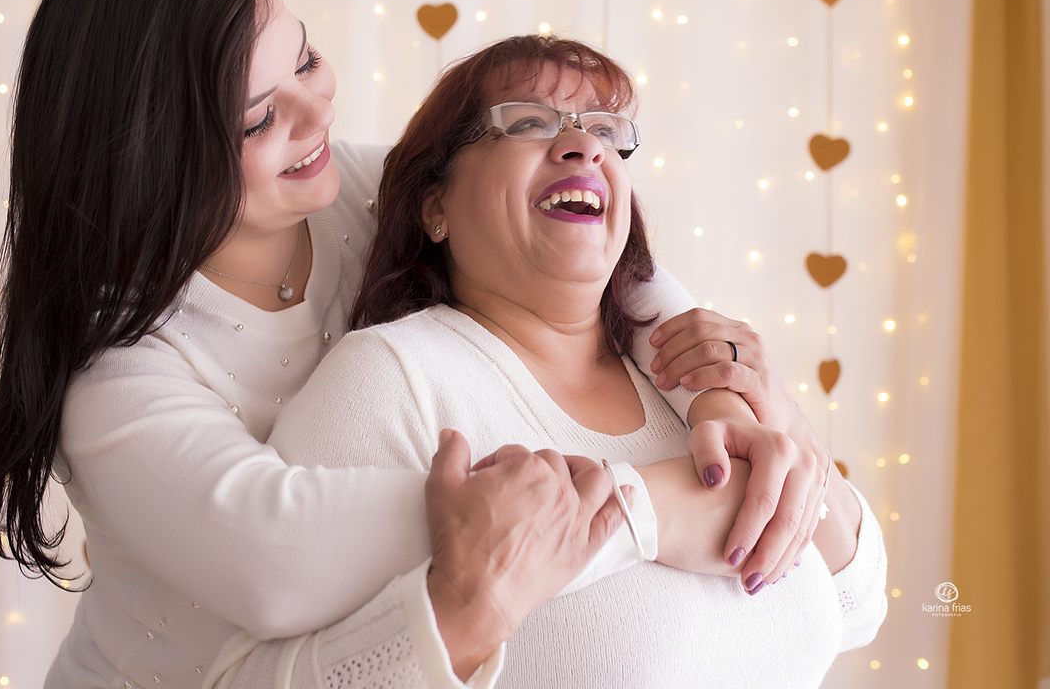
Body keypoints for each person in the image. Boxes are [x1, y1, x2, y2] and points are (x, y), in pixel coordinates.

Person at [0, 0, 838, 689]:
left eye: (305, 58)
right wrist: (642, 509)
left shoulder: (369, 189)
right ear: (157, 162)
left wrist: (722, 391)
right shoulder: (120, 378)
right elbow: (277, 561)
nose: (316, 113)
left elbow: (612, 270)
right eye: (262, 119)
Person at [266, 34, 888, 687]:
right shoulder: (392, 380)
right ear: (436, 206)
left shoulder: (682, 378)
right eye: (527, 123)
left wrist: (780, 414)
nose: (584, 145)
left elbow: (857, 608)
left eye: (605, 130)